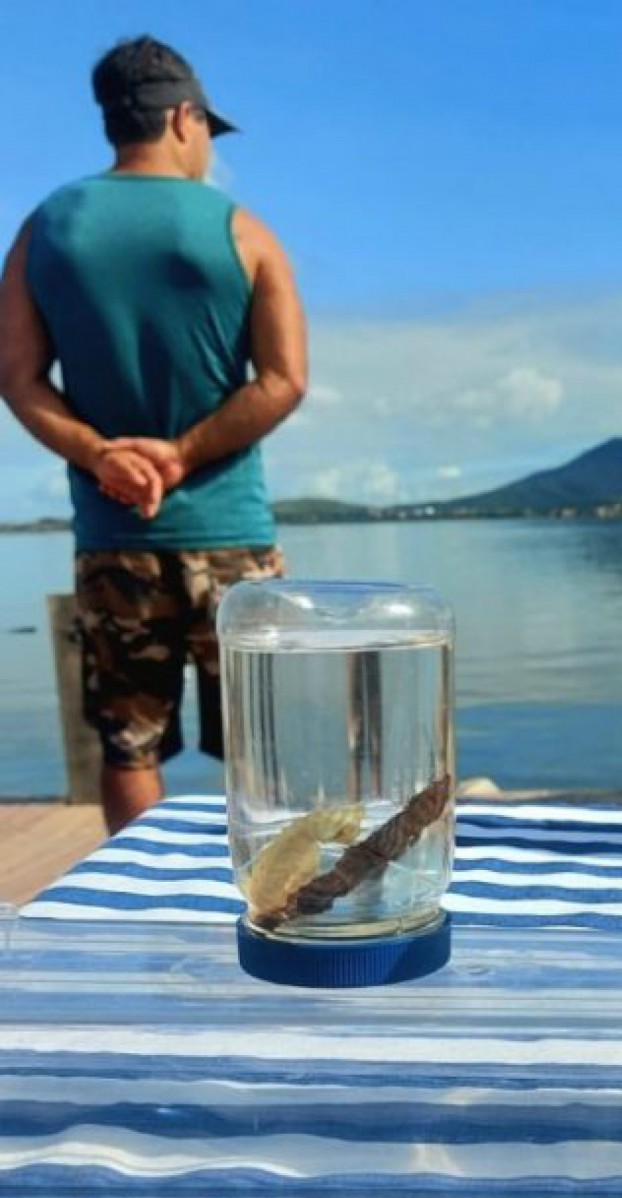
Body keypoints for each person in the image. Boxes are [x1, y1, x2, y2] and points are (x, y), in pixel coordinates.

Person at [0, 35, 307, 832]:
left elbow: (18, 377)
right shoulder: (244, 231)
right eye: (207, 128)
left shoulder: (44, 230)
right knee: (264, 747)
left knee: (129, 747)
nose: (206, 146)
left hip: (113, 537)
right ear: (183, 118)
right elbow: (283, 381)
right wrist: (183, 453)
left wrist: (102, 454)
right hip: (232, 533)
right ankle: (270, 907)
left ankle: (138, 908)